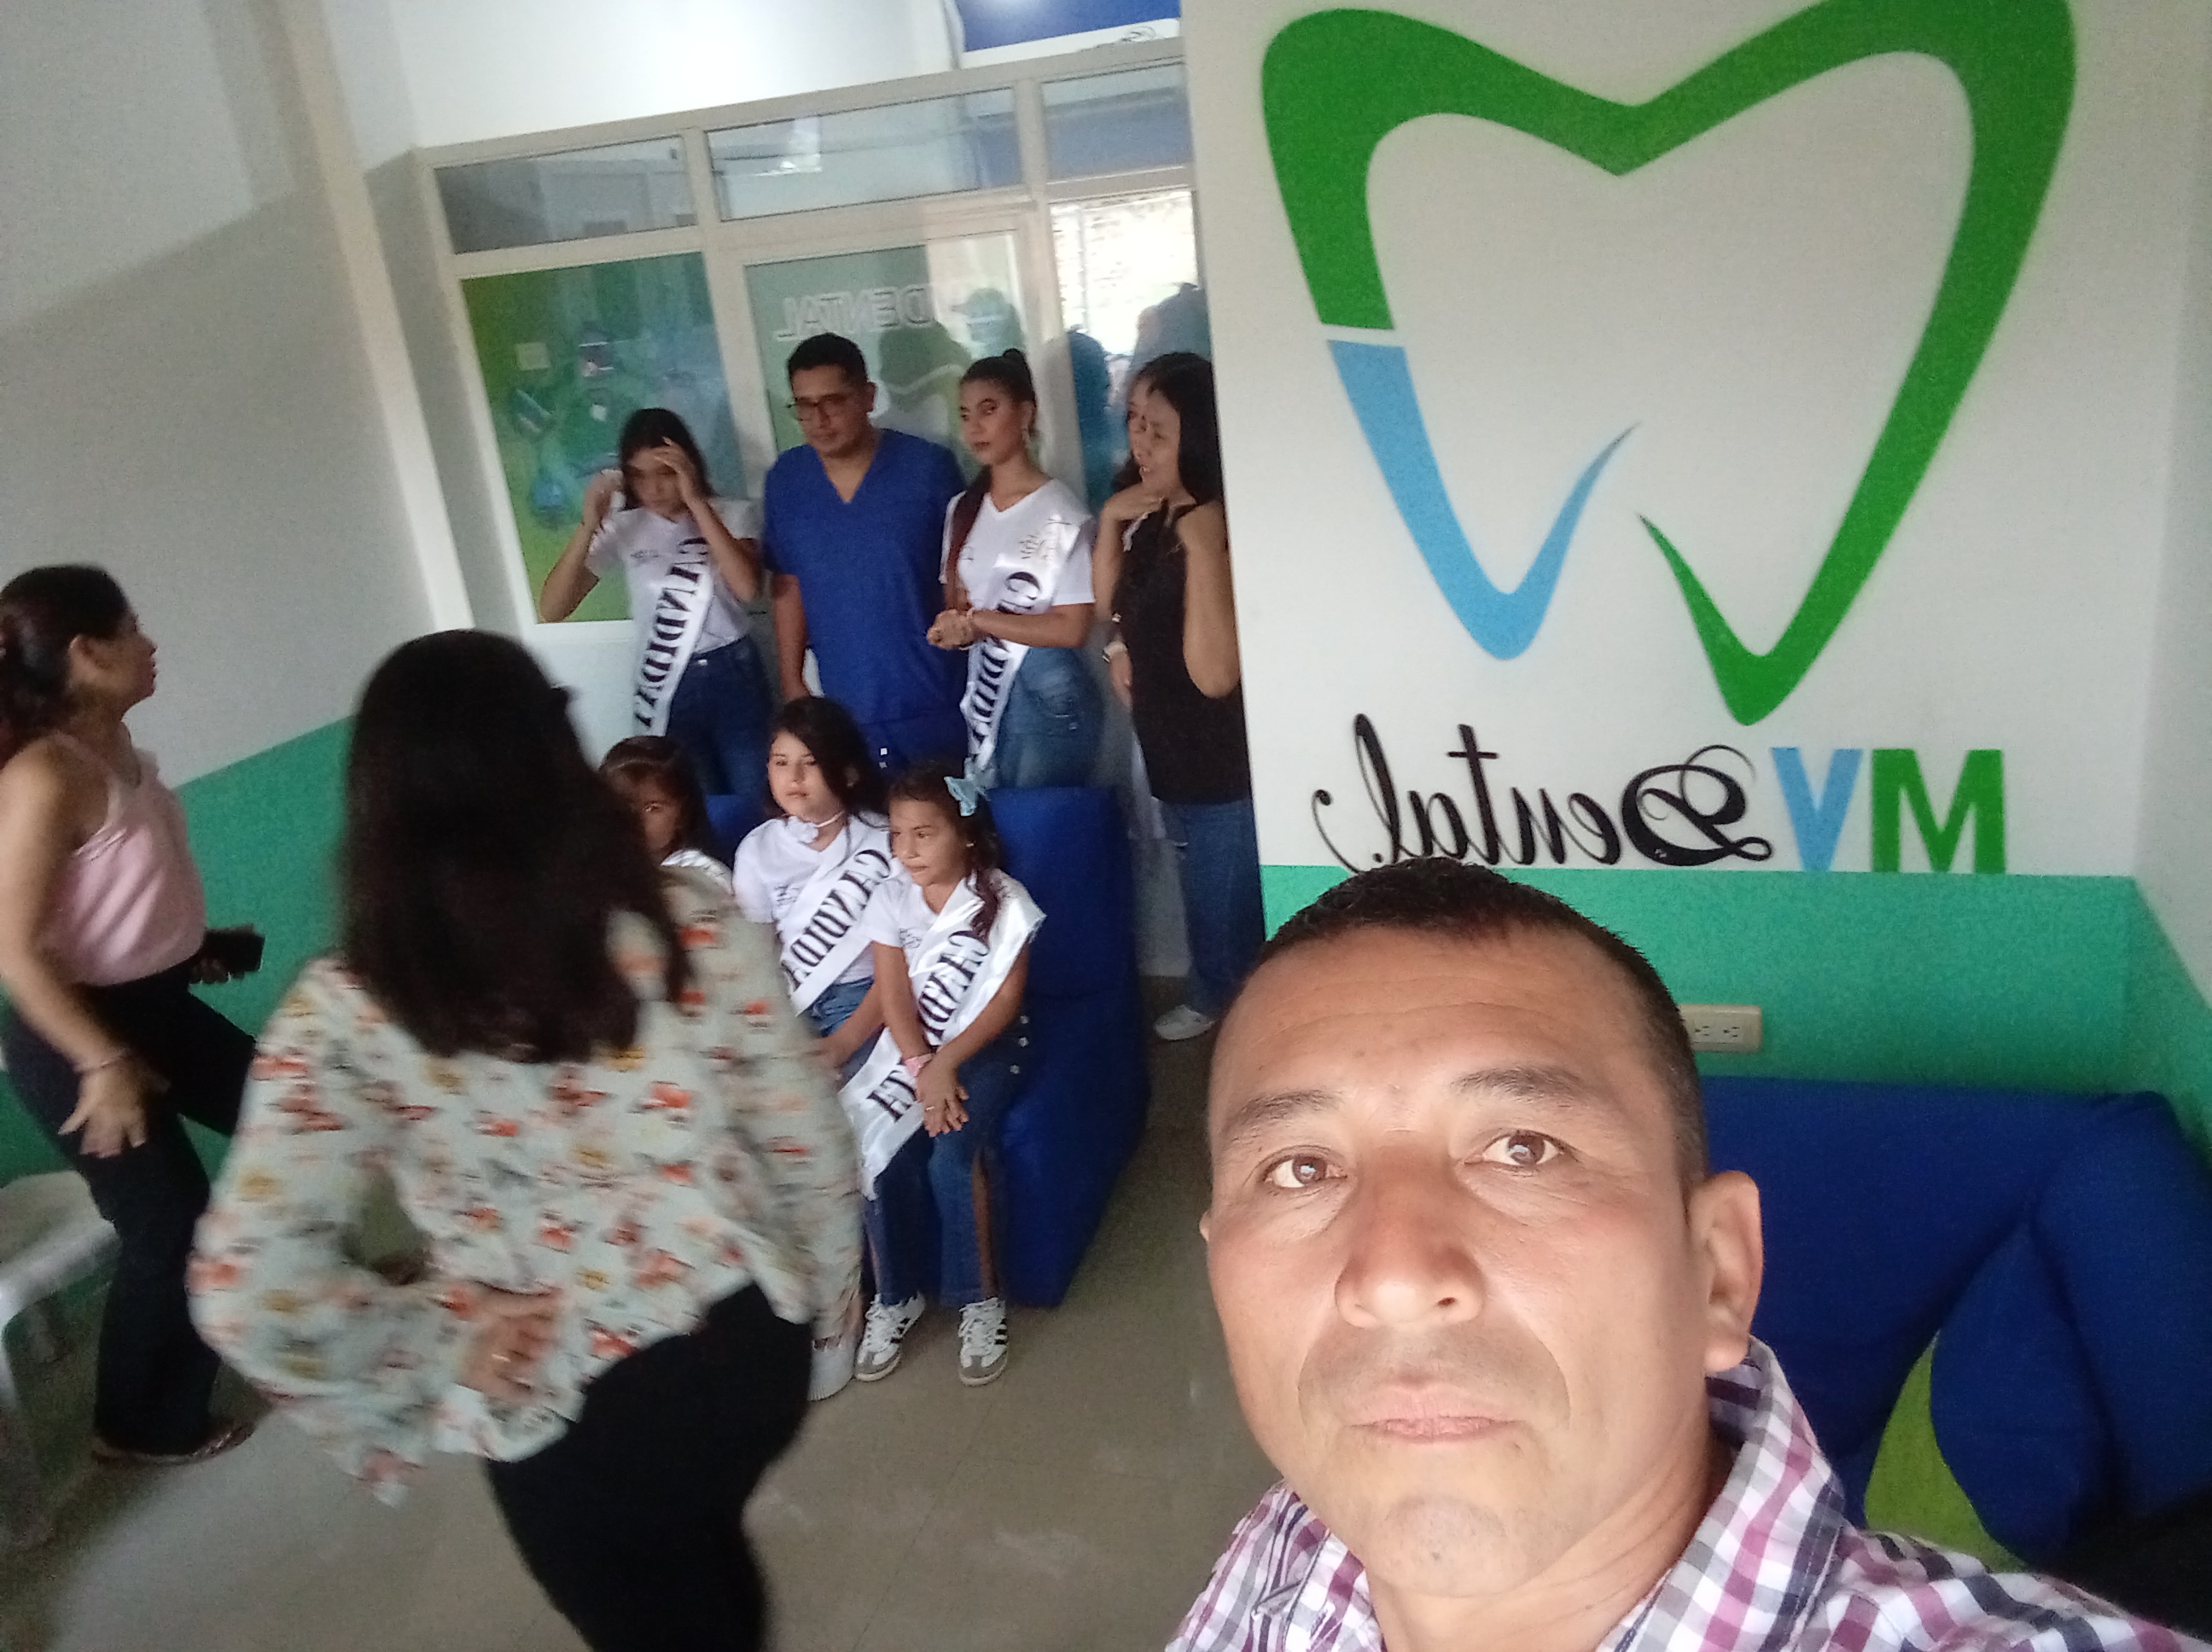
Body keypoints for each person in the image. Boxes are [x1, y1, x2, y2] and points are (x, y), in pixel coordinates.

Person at [1173, 857, 2201, 1652]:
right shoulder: (1302, 1533)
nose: (1393, 1278)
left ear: (1717, 1271)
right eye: (1299, 1168)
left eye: (1524, 1148)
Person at [190, 632, 859, 1652]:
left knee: (660, 1604)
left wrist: (435, 1340)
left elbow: (244, 1289)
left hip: (570, 1394)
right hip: (746, 1343)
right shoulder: (687, 918)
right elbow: (808, 1138)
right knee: (702, 1549)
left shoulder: (350, 1012)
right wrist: (824, 1309)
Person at [0, 566, 258, 1466]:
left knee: (291, 1122)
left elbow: (105, 901)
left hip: (154, 1005)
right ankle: (135, 1423)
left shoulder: (119, 749)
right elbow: (17, 952)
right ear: (86, 653)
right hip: (76, 1034)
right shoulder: (45, 773)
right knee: (169, 1227)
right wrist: (103, 1062)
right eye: (133, 628)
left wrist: (192, 943)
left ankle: (301, 1299)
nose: (150, 645)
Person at [841, 763, 1040, 1388]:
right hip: (915, 1051)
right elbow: (893, 994)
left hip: (989, 1047)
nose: (906, 850)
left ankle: (979, 1301)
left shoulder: (1004, 900)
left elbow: (1004, 1001)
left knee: (950, 1155)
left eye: (924, 834)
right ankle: (894, 1296)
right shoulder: (890, 897)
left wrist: (948, 1063)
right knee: (871, 1146)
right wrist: (921, 1065)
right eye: (897, 835)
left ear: (966, 834)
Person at [1092, 352, 1260, 1043]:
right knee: (1202, 897)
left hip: (1223, 769)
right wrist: (1110, 520)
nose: (1140, 442)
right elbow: (1110, 608)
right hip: (1172, 758)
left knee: (1226, 912)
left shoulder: (1214, 523)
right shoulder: (1155, 513)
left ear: (1200, 435)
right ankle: (1215, 996)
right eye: (1134, 422)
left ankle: (1235, 1017)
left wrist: (1201, 548)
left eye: (1157, 430)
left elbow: (1215, 674)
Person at [538, 407, 773, 836]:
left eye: (665, 473)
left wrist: (697, 502)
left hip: (733, 673)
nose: (654, 488)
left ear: (688, 465)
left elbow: (747, 588)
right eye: (639, 476)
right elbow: (552, 608)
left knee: (757, 800)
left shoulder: (733, 513)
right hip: (668, 683)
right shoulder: (624, 528)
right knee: (689, 811)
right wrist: (588, 524)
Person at [761, 333, 967, 771]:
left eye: (833, 401)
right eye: (805, 406)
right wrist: (792, 680)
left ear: (868, 396)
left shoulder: (928, 468)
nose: (819, 419)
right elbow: (788, 583)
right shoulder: (787, 480)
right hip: (843, 711)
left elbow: (964, 573)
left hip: (934, 700)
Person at [927, 350, 1103, 789]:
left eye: (989, 410)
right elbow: (961, 602)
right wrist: (954, 627)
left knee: (1033, 819)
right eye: (965, 415)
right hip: (988, 685)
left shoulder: (1060, 512)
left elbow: (1072, 628)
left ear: (1026, 413)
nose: (975, 427)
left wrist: (981, 622)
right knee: (1001, 815)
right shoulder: (963, 509)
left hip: (1048, 688)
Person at [731, 697, 894, 1071]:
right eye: (781, 763)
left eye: (811, 763)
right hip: (791, 996)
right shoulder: (756, 848)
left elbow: (902, 962)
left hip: (867, 997)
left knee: (859, 1092)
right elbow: (758, 952)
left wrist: (846, 1041)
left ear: (849, 773)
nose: (794, 777)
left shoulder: (886, 840)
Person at [600, 734, 731, 890]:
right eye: (624, 807)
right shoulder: (602, 868)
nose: (636, 819)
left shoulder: (703, 874)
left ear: (683, 814)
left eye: (653, 808)